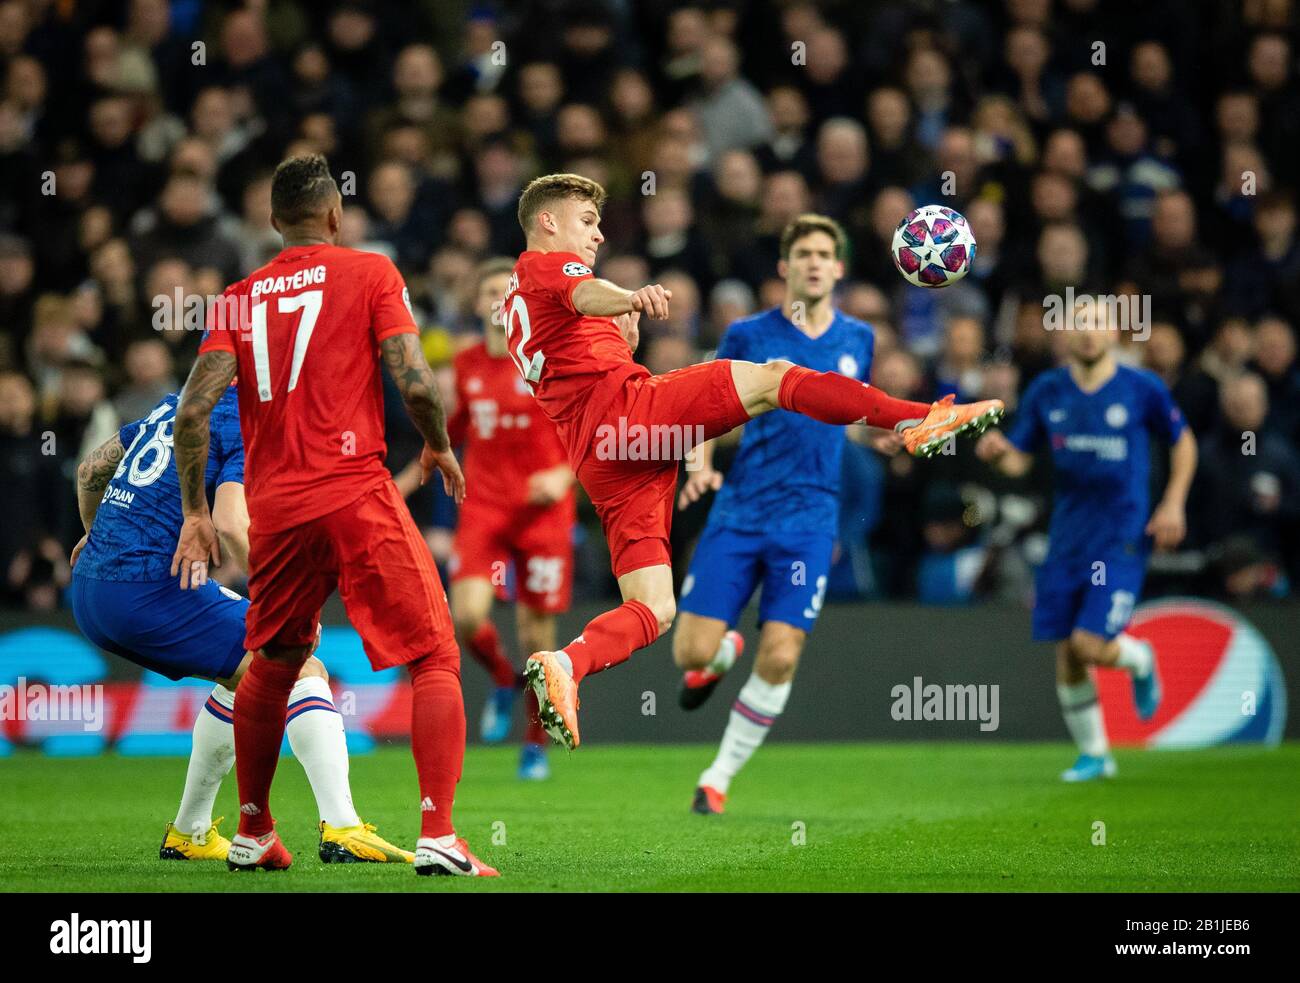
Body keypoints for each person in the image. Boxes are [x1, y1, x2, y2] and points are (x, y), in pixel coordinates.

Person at [500, 173, 1004, 750]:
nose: (594, 236)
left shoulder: (517, 303)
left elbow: (576, 346)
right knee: (776, 378)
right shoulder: (543, 267)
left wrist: (622, 335)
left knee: (654, 607)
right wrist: (630, 295)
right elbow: (586, 292)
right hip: (628, 415)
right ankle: (916, 417)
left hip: (605, 456)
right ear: (547, 222)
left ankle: (568, 664)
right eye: (586, 223)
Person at [171, 153, 495, 876]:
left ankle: (252, 829)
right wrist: (439, 446)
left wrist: (197, 509)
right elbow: (414, 380)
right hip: (353, 489)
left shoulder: (236, 298)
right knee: (435, 654)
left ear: (272, 221)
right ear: (336, 214)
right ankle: (439, 832)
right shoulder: (371, 272)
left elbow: (192, 411)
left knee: (274, 663)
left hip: (276, 506)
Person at [69, 387, 411, 863]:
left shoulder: (175, 403)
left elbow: (89, 470)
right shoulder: (250, 417)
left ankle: (190, 832)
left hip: (90, 588)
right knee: (299, 668)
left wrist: (93, 535)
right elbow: (232, 522)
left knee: (244, 677)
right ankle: (342, 827)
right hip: (145, 589)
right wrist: (280, 601)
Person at [671, 213, 892, 815]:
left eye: (825, 253)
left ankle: (716, 778)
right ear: (785, 268)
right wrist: (700, 467)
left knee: (784, 651)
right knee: (689, 653)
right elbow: (705, 405)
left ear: (839, 268)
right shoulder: (747, 333)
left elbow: (851, 416)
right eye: (805, 254)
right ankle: (720, 653)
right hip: (741, 510)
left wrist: (885, 437)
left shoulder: (859, 339)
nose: (815, 262)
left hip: (810, 519)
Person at [976, 302, 1197, 781]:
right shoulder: (1048, 389)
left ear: (1114, 331)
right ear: (1066, 334)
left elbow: (1183, 441)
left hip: (1121, 534)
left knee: (1090, 644)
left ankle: (1141, 659)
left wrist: (1174, 502)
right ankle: (1096, 754)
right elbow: (1022, 460)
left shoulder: (1142, 388)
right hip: (1067, 538)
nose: (1090, 333)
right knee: (1067, 651)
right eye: (1080, 324)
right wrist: (999, 455)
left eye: (1098, 323)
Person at [446, 256, 576, 780]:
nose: (499, 300)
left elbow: (588, 428)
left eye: (509, 291)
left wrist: (565, 476)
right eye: (491, 291)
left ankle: (534, 741)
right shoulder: (465, 364)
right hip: (485, 506)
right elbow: (451, 429)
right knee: (467, 617)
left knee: (536, 637)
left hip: (544, 513)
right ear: (478, 303)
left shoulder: (547, 359)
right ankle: (502, 679)